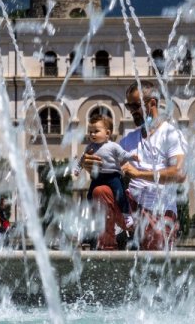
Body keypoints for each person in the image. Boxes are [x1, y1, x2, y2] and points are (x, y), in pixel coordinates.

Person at [82, 80, 187, 250]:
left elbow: (180, 173)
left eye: (135, 106)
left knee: (156, 254)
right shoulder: (128, 141)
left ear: (152, 103)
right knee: (101, 191)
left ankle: (138, 238)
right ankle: (108, 250)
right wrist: (91, 166)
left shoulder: (171, 134)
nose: (131, 111)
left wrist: (138, 174)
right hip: (130, 209)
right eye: (128, 106)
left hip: (159, 210)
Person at [73, 114, 138, 229]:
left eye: (96, 131)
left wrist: (133, 157)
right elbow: (83, 159)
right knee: (90, 195)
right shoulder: (90, 147)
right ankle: (91, 216)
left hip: (113, 176)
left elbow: (123, 155)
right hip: (98, 177)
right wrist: (77, 169)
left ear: (107, 133)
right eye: (90, 131)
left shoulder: (113, 146)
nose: (92, 134)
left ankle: (127, 215)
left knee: (120, 195)